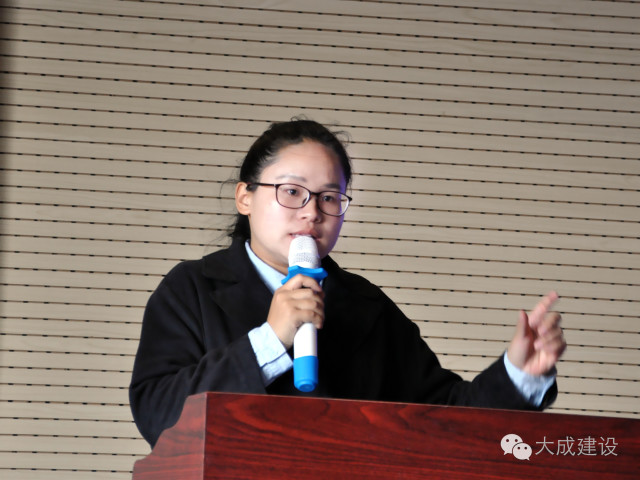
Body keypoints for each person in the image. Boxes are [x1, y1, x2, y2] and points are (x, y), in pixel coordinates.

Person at [129, 119, 567, 447]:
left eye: (329, 197)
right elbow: (157, 413)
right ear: (245, 197)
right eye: (292, 191)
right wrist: (269, 340)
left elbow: (444, 417)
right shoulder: (191, 289)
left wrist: (518, 375)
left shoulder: (365, 306)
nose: (311, 212)